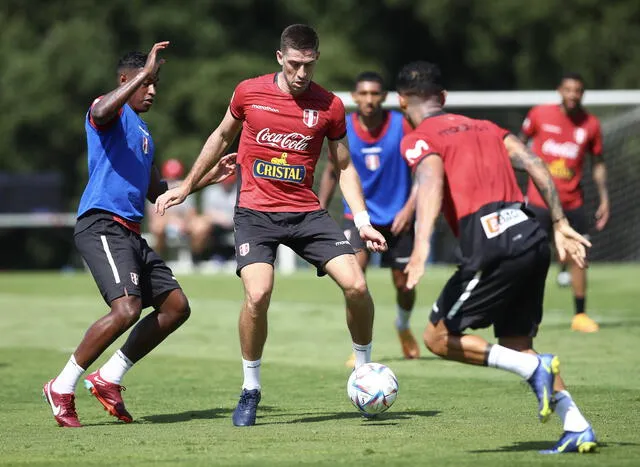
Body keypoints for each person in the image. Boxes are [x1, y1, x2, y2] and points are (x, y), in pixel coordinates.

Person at [156, 24, 387, 428]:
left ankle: (363, 371)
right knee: (258, 295)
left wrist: (363, 221)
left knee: (357, 285)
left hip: (306, 213)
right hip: (256, 213)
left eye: (309, 65)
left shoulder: (330, 105)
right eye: (295, 64)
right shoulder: (249, 92)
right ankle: (250, 389)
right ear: (280, 57)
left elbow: (344, 165)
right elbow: (219, 137)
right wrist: (186, 188)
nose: (302, 73)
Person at [398, 61, 597, 454]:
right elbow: (536, 163)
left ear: (402, 100)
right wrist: (559, 221)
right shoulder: (488, 127)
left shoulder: (418, 137)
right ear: (443, 97)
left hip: (492, 244)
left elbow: (431, 178)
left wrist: (421, 246)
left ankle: (534, 369)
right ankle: (577, 425)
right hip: (532, 237)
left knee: (437, 337)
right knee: (516, 343)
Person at [42, 42, 235, 428]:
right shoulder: (107, 112)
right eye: (147, 82)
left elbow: (155, 193)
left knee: (176, 307)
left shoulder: (145, 133)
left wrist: (206, 178)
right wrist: (142, 74)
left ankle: (109, 378)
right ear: (125, 81)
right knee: (127, 309)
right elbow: (99, 110)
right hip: (102, 224)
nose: (153, 90)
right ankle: (61, 386)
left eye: (155, 83)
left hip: (130, 232)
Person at [318, 71, 419, 363]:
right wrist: (320, 208)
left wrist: (409, 208)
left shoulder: (402, 125)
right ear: (354, 96)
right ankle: (359, 346)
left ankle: (402, 325)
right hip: (358, 216)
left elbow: (423, 171)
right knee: (354, 281)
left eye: (375, 94)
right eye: (363, 93)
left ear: (384, 97)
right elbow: (330, 171)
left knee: (404, 285)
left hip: (399, 218)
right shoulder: (343, 126)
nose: (369, 99)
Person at [520, 72, 609, 333]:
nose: (573, 95)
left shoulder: (591, 124)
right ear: (560, 90)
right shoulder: (539, 114)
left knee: (579, 256)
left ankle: (580, 315)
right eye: (568, 89)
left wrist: (605, 198)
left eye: (578, 90)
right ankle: (522, 312)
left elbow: (598, 163)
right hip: (539, 200)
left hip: (573, 202)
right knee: (528, 258)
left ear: (582, 93)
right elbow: (517, 145)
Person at [146, 158, 197, 258]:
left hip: (183, 224)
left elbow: (192, 213)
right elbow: (154, 216)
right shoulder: (158, 187)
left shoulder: (184, 187)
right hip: (164, 223)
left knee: (199, 226)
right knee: (158, 227)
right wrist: (172, 220)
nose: (173, 181)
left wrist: (183, 222)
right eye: (171, 177)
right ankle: (159, 258)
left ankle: (196, 258)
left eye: (176, 177)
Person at [189, 174, 237, 265]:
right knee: (199, 226)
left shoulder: (240, 190)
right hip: (215, 225)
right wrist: (221, 218)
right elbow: (207, 213)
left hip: (237, 224)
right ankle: (197, 258)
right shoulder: (211, 191)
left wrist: (229, 219)